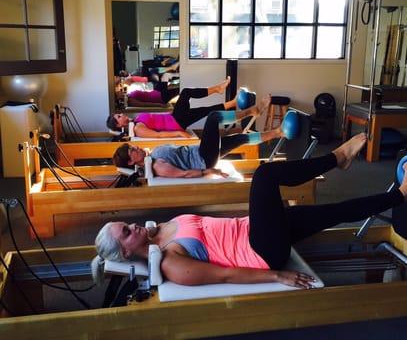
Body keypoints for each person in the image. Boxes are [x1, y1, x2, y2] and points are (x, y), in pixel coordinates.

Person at [92, 133, 407, 288]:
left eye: (127, 225)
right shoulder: (172, 264)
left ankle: (401, 195)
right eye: (126, 233)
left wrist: (149, 231)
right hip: (261, 250)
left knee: (332, 212)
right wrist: (276, 275)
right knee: (266, 175)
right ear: (126, 251)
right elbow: (225, 275)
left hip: (255, 230)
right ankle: (337, 158)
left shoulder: (158, 228)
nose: (133, 227)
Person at [112, 96, 276, 178]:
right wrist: (211, 171)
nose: (136, 146)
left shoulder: (151, 158)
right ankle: (252, 111)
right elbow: (184, 174)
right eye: (133, 150)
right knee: (213, 117)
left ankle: (277, 133)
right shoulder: (157, 166)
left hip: (202, 153)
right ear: (131, 161)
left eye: (133, 146)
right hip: (203, 158)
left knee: (239, 138)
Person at [107, 77, 240, 138]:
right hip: (176, 122)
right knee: (186, 92)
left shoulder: (135, 121)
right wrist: (179, 133)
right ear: (119, 126)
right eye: (118, 117)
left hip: (175, 119)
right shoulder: (137, 128)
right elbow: (158, 135)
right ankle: (218, 88)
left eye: (119, 114)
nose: (121, 115)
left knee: (205, 110)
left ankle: (232, 104)